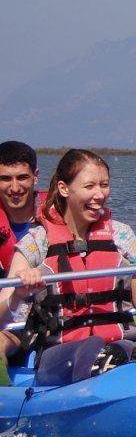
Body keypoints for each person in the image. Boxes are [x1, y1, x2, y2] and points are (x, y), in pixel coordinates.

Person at [0, 149, 136, 368]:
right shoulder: (36, 243)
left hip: (117, 347)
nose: (99, 195)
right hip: (58, 357)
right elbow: (2, 319)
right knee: (92, 350)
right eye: (89, 186)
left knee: (123, 350)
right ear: (63, 188)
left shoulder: (122, 235)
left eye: (104, 185)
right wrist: (18, 295)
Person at [0, 141, 47, 364]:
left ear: (35, 176)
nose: (15, 188)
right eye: (5, 179)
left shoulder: (62, 214)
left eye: (22, 177)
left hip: (52, 312)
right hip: (9, 320)